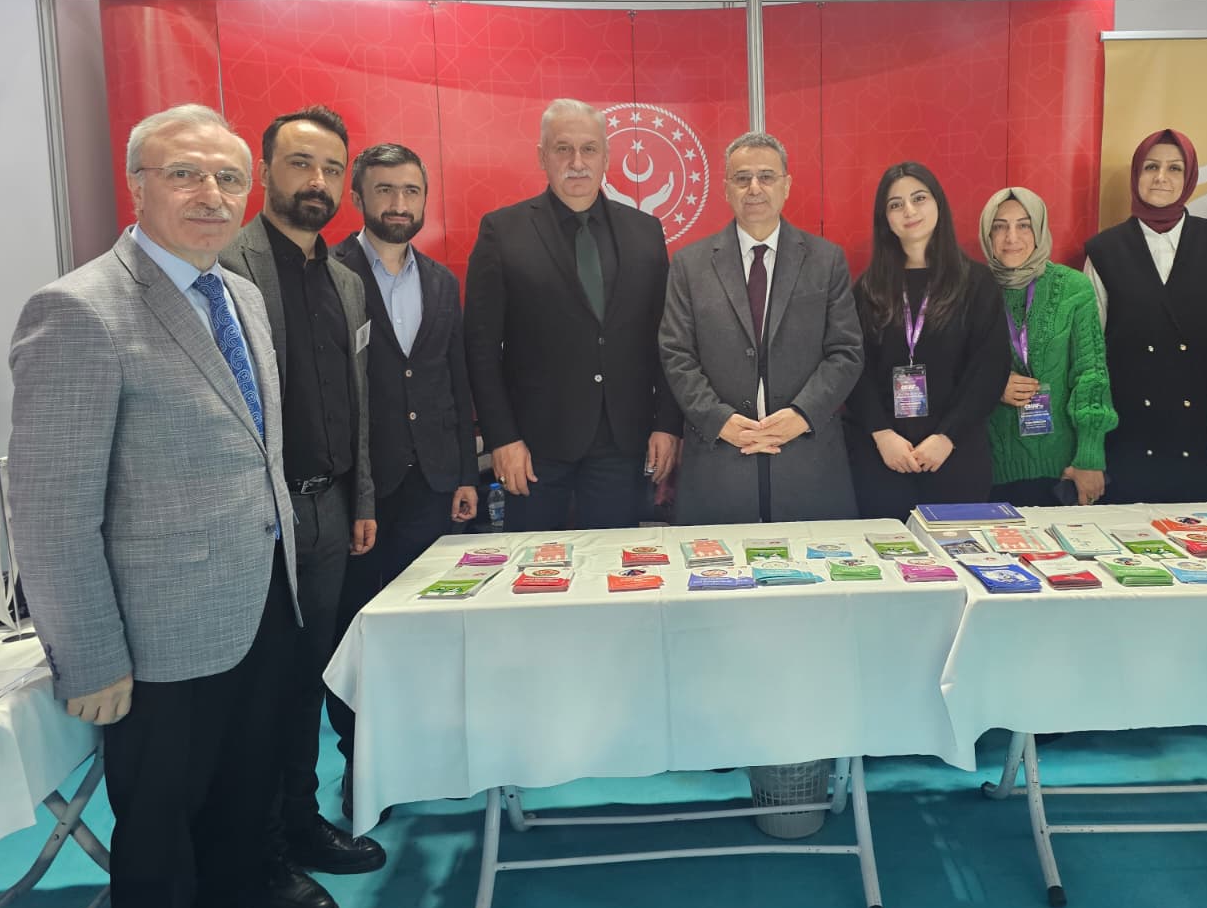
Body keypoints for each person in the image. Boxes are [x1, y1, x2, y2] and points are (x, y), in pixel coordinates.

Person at [8, 104, 322, 908]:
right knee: (161, 816)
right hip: (157, 630)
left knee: (240, 786)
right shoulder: (79, 311)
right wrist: (89, 656)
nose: (210, 194)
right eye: (184, 173)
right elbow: (51, 508)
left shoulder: (239, 295)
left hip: (260, 595)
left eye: (227, 178)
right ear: (137, 185)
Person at [221, 105, 386, 908]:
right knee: (258, 695)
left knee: (305, 682)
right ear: (265, 172)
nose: (316, 182)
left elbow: (352, 404)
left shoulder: (345, 279)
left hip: (327, 511)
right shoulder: (228, 267)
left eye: (330, 169)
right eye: (300, 164)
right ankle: (260, 859)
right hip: (259, 520)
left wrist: (361, 500)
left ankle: (300, 823)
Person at [329, 142, 477, 821]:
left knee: (429, 623)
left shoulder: (441, 280)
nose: (398, 203)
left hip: (434, 480)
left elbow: (454, 379)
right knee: (360, 628)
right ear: (359, 195)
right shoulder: (330, 273)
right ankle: (361, 761)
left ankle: (425, 751)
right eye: (385, 189)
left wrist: (466, 470)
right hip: (361, 486)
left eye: (411, 191)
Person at [464, 98, 681, 531]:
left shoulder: (646, 232)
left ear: (606, 156)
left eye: (589, 149)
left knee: (615, 563)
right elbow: (480, 347)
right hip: (533, 449)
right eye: (563, 148)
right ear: (542, 156)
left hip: (623, 442)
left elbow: (668, 339)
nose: (577, 162)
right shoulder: (502, 231)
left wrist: (667, 424)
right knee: (533, 565)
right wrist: (502, 438)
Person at [659, 131, 863, 523]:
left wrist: (802, 414)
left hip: (808, 459)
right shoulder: (689, 265)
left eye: (766, 176)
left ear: (786, 185)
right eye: (742, 178)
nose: (754, 187)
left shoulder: (826, 260)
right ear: (726, 189)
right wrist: (719, 419)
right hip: (719, 460)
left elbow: (846, 351)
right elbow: (676, 354)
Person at [845, 163, 1008, 520]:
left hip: (955, 455)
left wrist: (947, 437)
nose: (909, 211)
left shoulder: (977, 284)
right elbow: (853, 370)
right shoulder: (867, 289)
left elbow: (989, 370)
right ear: (885, 218)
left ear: (938, 204)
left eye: (919, 198)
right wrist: (882, 434)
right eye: (896, 204)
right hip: (883, 458)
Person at [1083, 129, 1207, 502]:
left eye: (1174, 168)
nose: (1161, 178)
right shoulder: (1104, 249)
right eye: (1151, 167)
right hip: (1128, 434)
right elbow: (1091, 354)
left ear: (1189, 178)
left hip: (1200, 433)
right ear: (1136, 174)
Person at [982, 186, 1117, 507]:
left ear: (1040, 229)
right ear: (987, 233)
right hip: (986, 469)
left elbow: (1091, 375)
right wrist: (991, 385)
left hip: (1063, 470)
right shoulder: (969, 288)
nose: (1011, 237)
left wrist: (1090, 456)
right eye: (999, 226)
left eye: (1024, 225)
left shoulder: (1073, 288)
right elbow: (952, 369)